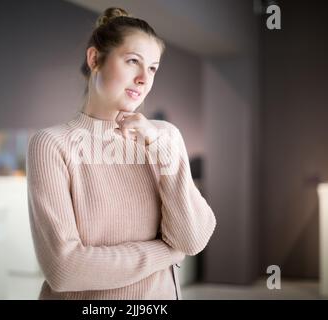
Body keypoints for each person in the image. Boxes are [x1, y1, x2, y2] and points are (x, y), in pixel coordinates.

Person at [26, 7, 216, 300]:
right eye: (132, 61)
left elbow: (191, 239)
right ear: (94, 59)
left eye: (152, 68)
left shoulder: (165, 137)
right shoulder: (52, 145)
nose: (144, 78)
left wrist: (160, 150)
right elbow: (65, 269)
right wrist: (167, 250)